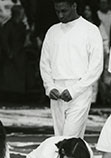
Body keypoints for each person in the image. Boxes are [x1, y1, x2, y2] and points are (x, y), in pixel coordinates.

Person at [40, 0, 103, 138]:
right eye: (57, 11)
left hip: (80, 89)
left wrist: (75, 90)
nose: (60, 15)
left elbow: (96, 66)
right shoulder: (52, 31)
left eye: (64, 11)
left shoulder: (90, 30)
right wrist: (49, 87)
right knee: (60, 137)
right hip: (56, 88)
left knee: (69, 136)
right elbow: (44, 63)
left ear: (74, 6)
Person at [0, 5, 27, 98]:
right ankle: (9, 94)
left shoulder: (22, 25)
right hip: (11, 53)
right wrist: (9, 51)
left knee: (19, 74)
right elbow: (4, 39)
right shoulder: (8, 25)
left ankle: (18, 94)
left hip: (20, 52)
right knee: (10, 75)